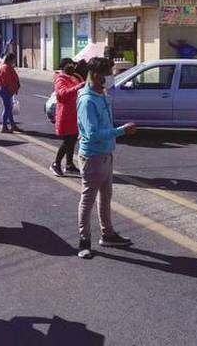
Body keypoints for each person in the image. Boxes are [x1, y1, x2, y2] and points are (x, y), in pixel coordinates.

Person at [76, 57, 136, 259]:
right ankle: (84, 242)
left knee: (105, 198)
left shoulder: (101, 95)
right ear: (96, 75)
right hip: (92, 157)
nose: (110, 78)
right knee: (88, 200)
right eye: (107, 74)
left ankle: (108, 234)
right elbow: (92, 134)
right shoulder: (87, 101)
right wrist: (121, 131)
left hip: (106, 155)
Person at [51, 58, 85, 177]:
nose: (72, 67)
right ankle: (56, 164)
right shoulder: (60, 79)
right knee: (67, 141)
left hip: (75, 113)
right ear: (64, 67)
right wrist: (78, 87)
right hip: (66, 114)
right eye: (70, 65)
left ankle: (69, 165)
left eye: (73, 65)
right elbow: (62, 93)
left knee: (72, 140)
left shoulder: (74, 77)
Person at [0, 53, 21, 133]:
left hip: (4, 89)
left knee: (9, 108)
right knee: (7, 108)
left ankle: (12, 125)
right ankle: (4, 126)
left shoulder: (3, 66)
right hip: (6, 90)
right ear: (10, 60)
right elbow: (8, 81)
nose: (14, 61)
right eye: (14, 60)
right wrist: (13, 90)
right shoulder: (6, 68)